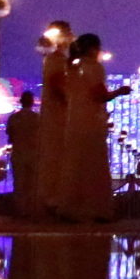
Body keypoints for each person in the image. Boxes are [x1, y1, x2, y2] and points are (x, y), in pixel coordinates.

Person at [55, 32, 128, 221]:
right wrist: (120, 91)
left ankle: (70, 207)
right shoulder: (94, 68)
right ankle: (96, 209)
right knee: (93, 165)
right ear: (93, 48)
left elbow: (63, 90)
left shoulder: (72, 67)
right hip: (91, 122)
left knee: (74, 165)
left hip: (74, 121)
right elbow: (99, 95)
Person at [36, 21, 75, 221]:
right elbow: (57, 85)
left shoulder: (55, 59)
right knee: (57, 153)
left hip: (54, 114)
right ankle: (54, 200)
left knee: (55, 153)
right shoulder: (57, 60)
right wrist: (73, 104)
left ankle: (54, 199)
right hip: (58, 115)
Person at [5, 89, 42, 216]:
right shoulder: (37, 118)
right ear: (32, 102)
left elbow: (10, 136)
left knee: (19, 182)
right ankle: (31, 210)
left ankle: (20, 210)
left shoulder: (14, 118)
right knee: (32, 183)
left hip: (18, 153)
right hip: (33, 153)